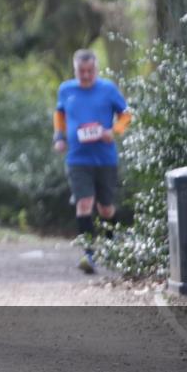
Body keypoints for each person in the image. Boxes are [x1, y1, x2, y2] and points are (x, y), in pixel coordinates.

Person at [52, 49, 132, 274]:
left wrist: (114, 130)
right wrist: (59, 137)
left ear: (96, 69)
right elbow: (59, 115)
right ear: (74, 69)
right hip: (77, 158)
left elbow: (126, 115)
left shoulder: (107, 89)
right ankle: (89, 254)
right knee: (84, 203)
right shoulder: (66, 89)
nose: (85, 75)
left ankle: (111, 247)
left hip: (105, 157)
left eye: (89, 71)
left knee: (105, 208)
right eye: (81, 71)